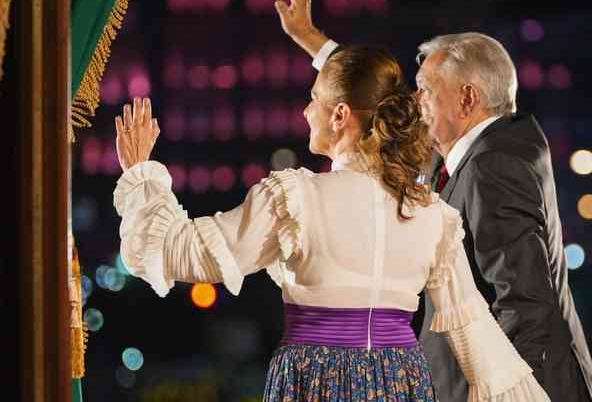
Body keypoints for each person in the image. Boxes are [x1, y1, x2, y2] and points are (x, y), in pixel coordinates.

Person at [113, 48, 549, 401]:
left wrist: (141, 176)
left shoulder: (295, 198)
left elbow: (187, 253)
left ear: (340, 115)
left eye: (313, 99)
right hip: (401, 384)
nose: (305, 111)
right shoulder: (433, 216)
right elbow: (476, 337)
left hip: (314, 380)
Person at [275, 0, 592, 401]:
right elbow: (375, 102)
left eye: (427, 90)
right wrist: (315, 43)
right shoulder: (481, 151)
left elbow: (525, 306)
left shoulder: (493, 166)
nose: (416, 102)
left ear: (467, 98)